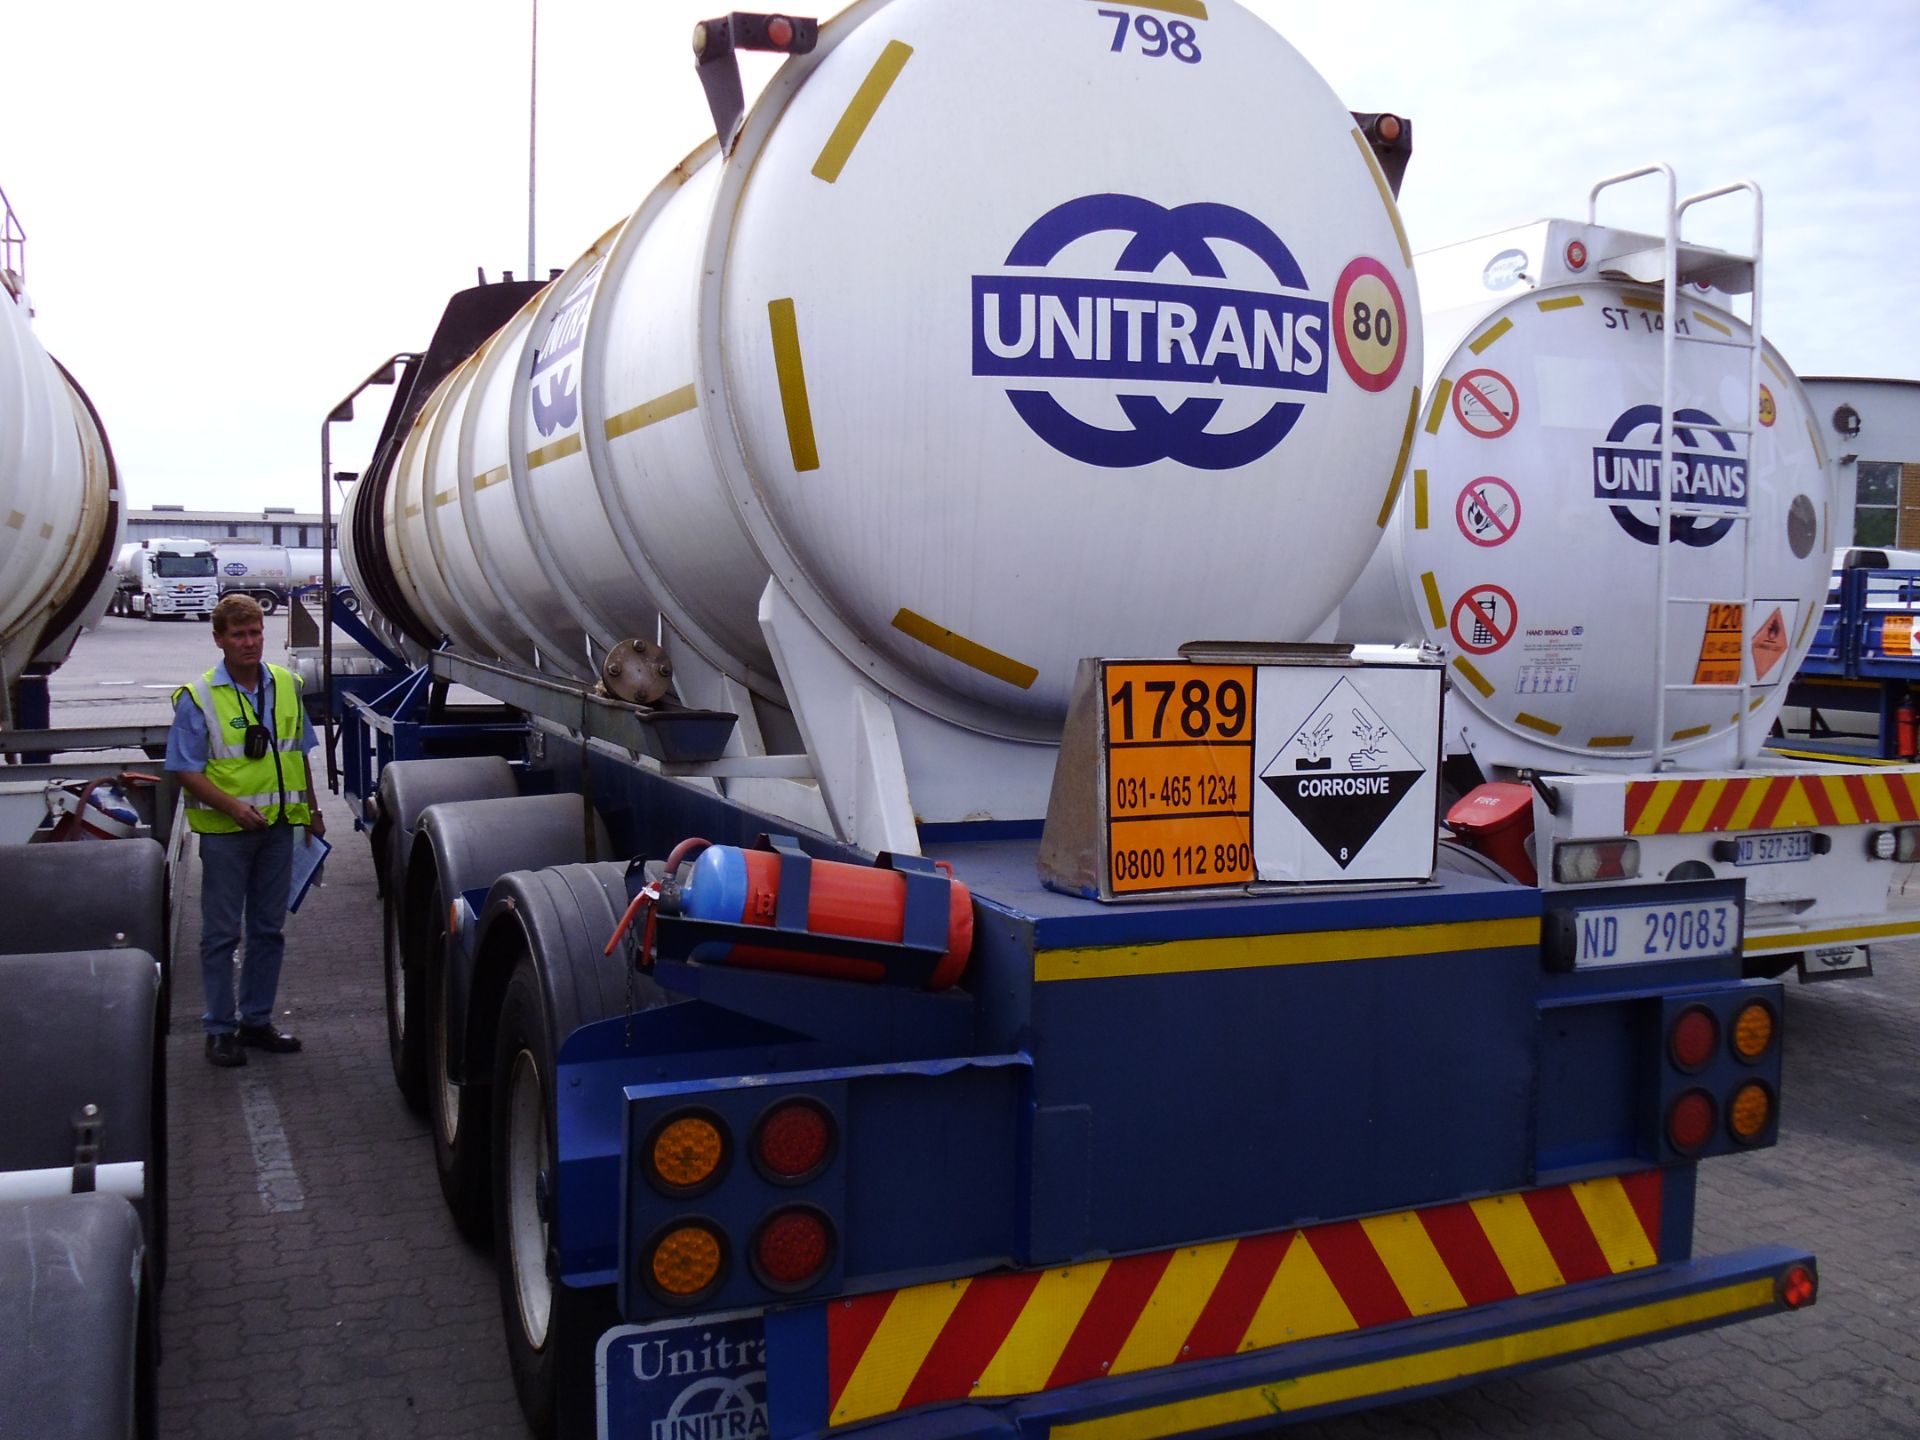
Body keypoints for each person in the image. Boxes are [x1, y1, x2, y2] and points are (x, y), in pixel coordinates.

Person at [165, 594, 327, 1067]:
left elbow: (299, 755)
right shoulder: (199, 697)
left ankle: (256, 1021)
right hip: (226, 832)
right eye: (238, 635)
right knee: (220, 935)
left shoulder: (286, 685)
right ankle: (219, 1029)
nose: (249, 642)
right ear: (219, 640)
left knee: (267, 930)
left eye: (255, 632)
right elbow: (183, 768)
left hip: (279, 829)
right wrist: (233, 808)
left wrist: (313, 813)